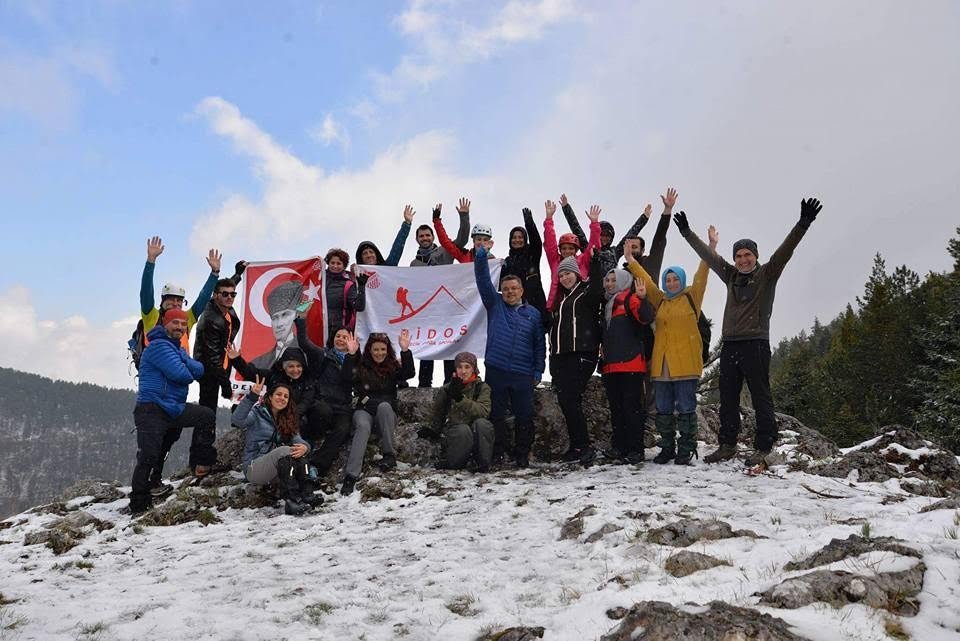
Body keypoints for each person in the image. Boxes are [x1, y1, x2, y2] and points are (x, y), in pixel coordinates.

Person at [674, 198, 824, 466]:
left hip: (755, 343)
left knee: (760, 395)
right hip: (731, 344)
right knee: (728, 397)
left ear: (756, 256)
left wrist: (803, 223)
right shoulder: (730, 276)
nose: (743, 260)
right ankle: (727, 444)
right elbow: (709, 256)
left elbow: (785, 251)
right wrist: (687, 232)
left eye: (748, 255)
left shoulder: (768, 273)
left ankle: (764, 446)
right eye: (739, 256)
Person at [625, 230, 715, 465]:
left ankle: (685, 448)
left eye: (675, 279)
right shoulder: (661, 299)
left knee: (685, 407)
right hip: (662, 364)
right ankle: (667, 448)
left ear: (682, 281)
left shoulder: (691, 297)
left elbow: (702, 275)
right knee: (663, 408)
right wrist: (632, 261)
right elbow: (647, 280)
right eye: (668, 279)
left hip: (685, 363)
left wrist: (710, 248)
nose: (671, 283)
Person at [128, 309, 217, 514]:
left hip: (173, 409)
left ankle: (202, 462)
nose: (179, 327)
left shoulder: (176, 349)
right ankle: (138, 503)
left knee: (206, 416)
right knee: (148, 456)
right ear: (165, 324)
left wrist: (184, 361)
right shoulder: (159, 346)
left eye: (183, 324)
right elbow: (183, 375)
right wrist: (185, 363)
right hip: (152, 410)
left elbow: (199, 369)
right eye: (174, 322)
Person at [474, 245, 545, 467]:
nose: (510, 292)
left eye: (514, 288)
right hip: (496, 369)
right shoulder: (495, 305)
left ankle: (522, 453)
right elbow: (483, 280)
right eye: (505, 289)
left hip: (523, 373)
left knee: (524, 416)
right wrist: (481, 255)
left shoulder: (533, 314)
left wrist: (538, 370)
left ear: (522, 290)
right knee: (497, 415)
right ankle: (499, 452)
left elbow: (539, 345)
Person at [340, 330, 415, 495]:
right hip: (365, 410)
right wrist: (351, 355)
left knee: (384, 407)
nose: (379, 353)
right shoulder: (361, 365)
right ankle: (351, 475)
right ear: (369, 350)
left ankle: (389, 455)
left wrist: (405, 350)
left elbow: (409, 373)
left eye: (383, 349)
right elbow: (346, 377)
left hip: (385, 416)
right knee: (362, 426)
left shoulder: (393, 366)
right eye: (376, 349)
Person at [233, 376, 322, 515]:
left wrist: (305, 447)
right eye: (279, 394)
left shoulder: (287, 420)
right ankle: (292, 499)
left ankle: (306, 495)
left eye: (286, 396)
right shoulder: (257, 414)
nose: (282, 398)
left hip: (278, 468)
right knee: (286, 450)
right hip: (254, 468)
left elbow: (299, 441)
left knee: (298, 452)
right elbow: (238, 420)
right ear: (269, 397)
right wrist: (252, 396)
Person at [548, 252, 605, 465]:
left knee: (570, 399)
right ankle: (577, 445)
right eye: (561, 275)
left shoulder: (585, 294)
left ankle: (584, 446)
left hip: (582, 354)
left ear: (577, 274)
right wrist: (552, 358)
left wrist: (596, 263)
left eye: (569, 273)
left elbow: (598, 288)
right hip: (561, 356)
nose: (565, 278)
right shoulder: (561, 301)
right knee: (566, 400)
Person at [410, 202, 470, 386]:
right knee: (427, 345)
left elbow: (462, 240)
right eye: (421, 236)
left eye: (428, 235)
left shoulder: (444, 251)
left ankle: (450, 383)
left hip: (447, 308)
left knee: (448, 343)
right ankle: (424, 384)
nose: (425, 238)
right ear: (417, 239)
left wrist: (464, 216)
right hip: (427, 311)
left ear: (433, 237)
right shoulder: (414, 264)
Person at [600, 267, 656, 463]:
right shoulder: (607, 304)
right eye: (607, 280)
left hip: (631, 364)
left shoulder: (629, 298)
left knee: (632, 408)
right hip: (611, 366)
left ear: (623, 280)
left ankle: (635, 449)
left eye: (613, 280)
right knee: (616, 409)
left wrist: (642, 298)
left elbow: (646, 318)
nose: (609, 283)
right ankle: (619, 446)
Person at [139, 236, 230, 350]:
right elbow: (146, 291)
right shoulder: (151, 315)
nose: (176, 303)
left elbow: (203, 298)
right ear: (163, 300)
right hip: (156, 366)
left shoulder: (187, 318)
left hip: (183, 367)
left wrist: (214, 273)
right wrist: (151, 260)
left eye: (180, 300)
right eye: (171, 299)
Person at [295, 318, 358, 476]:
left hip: (343, 407)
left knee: (343, 429)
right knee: (323, 411)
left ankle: (317, 465)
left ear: (352, 341)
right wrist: (301, 321)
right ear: (333, 338)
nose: (341, 339)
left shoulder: (356, 362)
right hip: (321, 403)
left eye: (345, 337)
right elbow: (304, 343)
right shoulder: (322, 354)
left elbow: (348, 378)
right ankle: (311, 436)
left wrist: (351, 355)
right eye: (338, 336)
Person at [425, 352, 494, 471]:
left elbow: (483, 411)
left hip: (477, 431)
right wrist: (433, 430)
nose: (463, 371)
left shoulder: (482, 387)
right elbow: (438, 413)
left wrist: (460, 399)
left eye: (467, 367)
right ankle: (455, 463)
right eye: (460, 367)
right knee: (463, 430)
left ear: (474, 368)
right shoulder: (447, 389)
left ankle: (483, 464)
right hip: (457, 431)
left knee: (483, 424)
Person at [544, 198, 601, 312]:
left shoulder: (583, 260)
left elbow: (594, 246)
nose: (567, 251)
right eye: (564, 248)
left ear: (576, 250)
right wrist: (549, 219)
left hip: (580, 304)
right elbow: (550, 243)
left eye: (571, 248)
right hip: (557, 307)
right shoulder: (555, 261)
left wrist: (594, 224)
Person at [193, 278, 242, 410]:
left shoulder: (223, 308)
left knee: (208, 411)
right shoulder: (211, 320)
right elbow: (212, 358)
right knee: (208, 411)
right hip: (209, 371)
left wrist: (237, 275)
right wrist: (225, 384)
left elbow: (224, 287)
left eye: (233, 294)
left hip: (222, 365)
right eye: (225, 294)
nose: (229, 297)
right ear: (215, 296)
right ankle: (206, 431)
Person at [501, 207, 547, 318]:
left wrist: (529, 224)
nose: (517, 240)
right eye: (514, 237)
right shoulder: (507, 261)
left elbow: (536, 242)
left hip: (534, 306)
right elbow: (499, 284)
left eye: (521, 237)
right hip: (513, 308)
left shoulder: (532, 254)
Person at [250, 280, 304, 371]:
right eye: (275, 318)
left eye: (285, 315)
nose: (279, 324)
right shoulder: (257, 363)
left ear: (295, 315)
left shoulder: (308, 355)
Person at [436, 197, 495, 262]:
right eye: (478, 239)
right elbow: (446, 243)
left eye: (485, 240)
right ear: (473, 241)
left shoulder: (493, 261)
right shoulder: (464, 254)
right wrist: (436, 221)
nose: (481, 242)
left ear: (489, 242)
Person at [324, 248, 366, 335]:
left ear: (344, 266)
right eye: (332, 263)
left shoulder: (348, 284)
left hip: (338, 333)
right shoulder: (318, 280)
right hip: (317, 328)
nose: (335, 266)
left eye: (339, 263)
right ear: (328, 263)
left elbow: (359, 307)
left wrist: (361, 286)